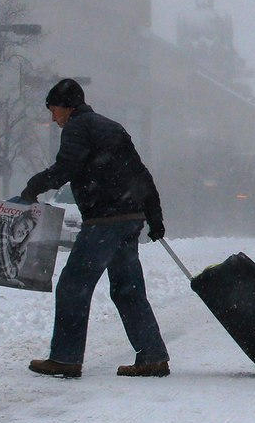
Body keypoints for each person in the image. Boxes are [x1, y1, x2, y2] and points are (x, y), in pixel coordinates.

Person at [21, 79, 169, 379]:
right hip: (129, 217)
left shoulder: (78, 127)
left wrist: (33, 187)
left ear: (67, 107)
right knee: (128, 290)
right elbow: (141, 173)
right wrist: (153, 216)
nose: (53, 118)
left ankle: (65, 358)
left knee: (73, 286)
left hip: (105, 220)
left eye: (54, 110)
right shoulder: (111, 127)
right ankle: (152, 356)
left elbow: (66, 168)